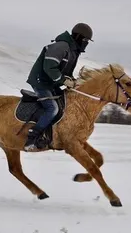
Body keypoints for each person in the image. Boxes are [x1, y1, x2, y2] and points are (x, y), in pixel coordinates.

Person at [24, 22, 93, 151]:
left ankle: (53, 135)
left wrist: (72, 80)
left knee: (66, 103)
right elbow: (49, 67)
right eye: (85, 40)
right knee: (53, 108)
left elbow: (65, 72)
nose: (86, 43)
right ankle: (31, 138)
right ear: (78, 37)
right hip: (41, 82)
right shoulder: (61, 46)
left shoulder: (73, 51)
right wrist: (63, 81)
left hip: (51, 83)